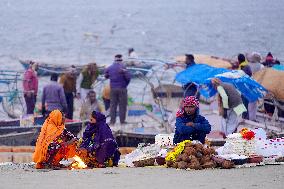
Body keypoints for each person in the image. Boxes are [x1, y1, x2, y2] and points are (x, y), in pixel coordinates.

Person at [104, 54, 131, 125]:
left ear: (114, 60)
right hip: (122, 88)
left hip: (113, 89)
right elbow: (128, 78)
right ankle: (122, 121)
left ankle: (112, 121)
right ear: (121, 60)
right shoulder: (123, 67)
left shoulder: (110, 68)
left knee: (113, 105)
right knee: (122, 105)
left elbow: (106, 76)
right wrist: (125, 85)